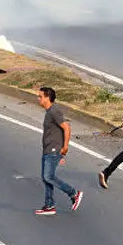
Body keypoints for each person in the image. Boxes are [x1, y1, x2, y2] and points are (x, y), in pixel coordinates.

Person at [37, 86, 83, 215]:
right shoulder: (49, 111)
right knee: (46, 178)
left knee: (48, 176)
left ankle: (73, 193)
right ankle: (49, 205)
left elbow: (66, 128)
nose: (38, 99)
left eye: (40, 96)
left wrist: (65, 148)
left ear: (47, 98)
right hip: (47, 149)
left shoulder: (54, 111)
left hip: (53, 149)